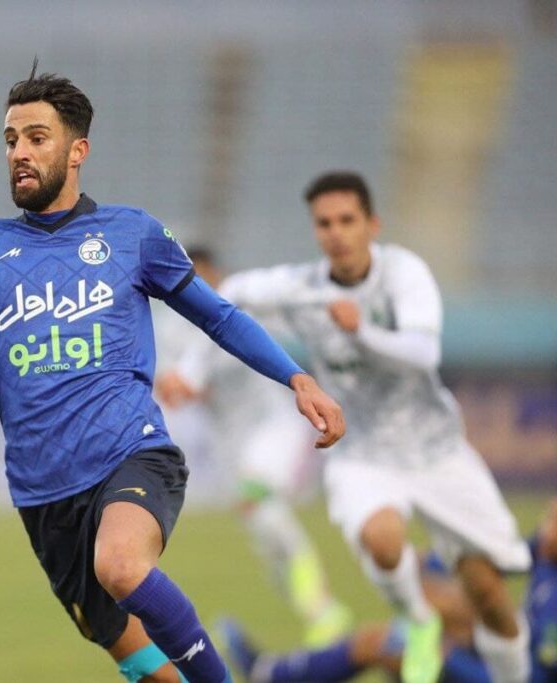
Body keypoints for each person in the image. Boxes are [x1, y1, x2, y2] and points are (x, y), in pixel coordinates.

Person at [0, 63, 344, 683]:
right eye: (10, 140)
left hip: (130, 455)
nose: (19, 153)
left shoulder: (131, 234)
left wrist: (297, 378)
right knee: (129, 651)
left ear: (77, 150)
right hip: (41, 490)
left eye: (36, 137)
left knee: (120, 565)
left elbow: (219, 317)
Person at [177, 171, 531, 683]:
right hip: (363, 453)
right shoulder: (303, 288)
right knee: (381, 539)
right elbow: (231, 293)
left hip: (437, 451)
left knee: (488, 592)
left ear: (372, 225)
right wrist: (191, 372)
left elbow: (422, 352)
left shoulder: (403, 273)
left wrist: (361, 330)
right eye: (324, 223)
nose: (336, 233)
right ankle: (418, 622)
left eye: (347, 220)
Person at [155, 247, 352, 647]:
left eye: (204, 279)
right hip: (229, 445)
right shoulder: (170, 329)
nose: (198, 288)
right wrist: (176, 385)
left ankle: (323, 611)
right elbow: (169, 384)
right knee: (267, 533)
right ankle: (318, 611)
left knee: (256, 498)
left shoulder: (238, 310)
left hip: (273, 428)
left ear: (219, 275)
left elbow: (286, 325)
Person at [218, 497, 557, 683]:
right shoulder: (545, 550)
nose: (546, 524)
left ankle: (267, 673)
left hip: (506, 669)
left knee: (378, 642)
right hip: (508, 645)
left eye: (553, 520)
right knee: (432, 599)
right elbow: (497, 558)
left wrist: (448, 655)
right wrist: (421, 561)